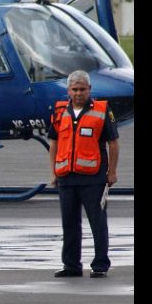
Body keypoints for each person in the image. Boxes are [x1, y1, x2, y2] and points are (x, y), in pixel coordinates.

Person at [49, 70, 119, 278]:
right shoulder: (60, 111)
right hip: (67, 177)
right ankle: (71, 265)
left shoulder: (101, 111)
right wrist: (53, 171)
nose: (79, 93)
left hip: (94, 178)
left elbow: (113, 143)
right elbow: (54, 142)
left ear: (90, 90)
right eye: (75, 89)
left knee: (97, 222)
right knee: (69, 224)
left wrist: (112, 172)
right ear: (68, 91)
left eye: (82, 89)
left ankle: (100, 265)